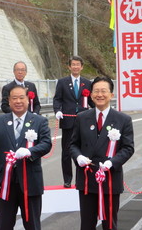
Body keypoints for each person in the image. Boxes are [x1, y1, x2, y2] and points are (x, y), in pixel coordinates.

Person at [70, 77, 134, 230]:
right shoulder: (82, 118)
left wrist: (112, 162)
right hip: (87, 178)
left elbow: (128, 148)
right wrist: (78, 156)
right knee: (86, 223)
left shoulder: (123, 119)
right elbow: (73, 144)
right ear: (91, 95)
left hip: (110, 178)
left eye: (103, 91)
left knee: (110, 224)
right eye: (96, 91)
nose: (100, 95)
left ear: (111, 95)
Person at [0, 85, 51, 230]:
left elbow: (46, 144)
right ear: (8, 101)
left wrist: (31, 151)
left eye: (21, 97)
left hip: (30, 182)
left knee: (32, 224)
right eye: (14, 98)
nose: (18, 101)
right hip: (6, 183)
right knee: (5, 224)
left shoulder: (39, 121)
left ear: (28, 100)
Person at [53, 55, 94, 188]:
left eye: (78, 64)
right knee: (66, 152)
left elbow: (93, 101)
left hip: (84, 122)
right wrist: (57, 110)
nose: (75, 67)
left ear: (82, 67)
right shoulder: (62, 82)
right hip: (68, 121)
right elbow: (57, 99)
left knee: (83, 151)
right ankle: (67, 179)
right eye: (73, 64)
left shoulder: (87, 83)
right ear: (69, 67)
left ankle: (81, 178)